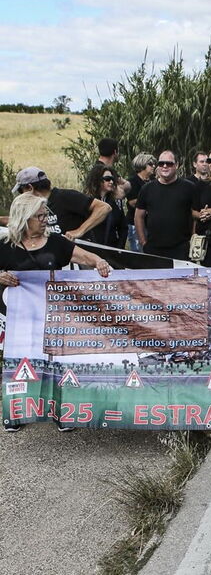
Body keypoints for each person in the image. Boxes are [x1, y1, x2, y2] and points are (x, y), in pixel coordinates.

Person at [0, 193, 113, 432]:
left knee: (57, 364)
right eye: (39, 216)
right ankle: (17, 412)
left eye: (45, 215)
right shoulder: (6, 246)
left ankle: (62, 412)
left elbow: (85, 256)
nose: (45, 220)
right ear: (25, 218)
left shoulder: (56, 243)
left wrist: (99, 262)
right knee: (23, 365)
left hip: (54, 318)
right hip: (22, 322)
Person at [11, 167, 110, 241]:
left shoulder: (65, 196)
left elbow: (104, 207)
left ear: (30, 188)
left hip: (80, 258)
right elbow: (20, 220)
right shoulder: (34, 207)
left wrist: (80, 230)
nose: (22, 196)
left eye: (21, 191)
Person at [134, 150, 198, 260]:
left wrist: (193, 240)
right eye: (161, 163)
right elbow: (138, 216)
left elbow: (195, 216)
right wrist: (143, 242)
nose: (164, 166)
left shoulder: (189, 188)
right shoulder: (147, 189)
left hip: (181, 249)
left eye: (169, 163)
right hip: (153, 249)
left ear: (177, 165)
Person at [83, 164, 126, 248]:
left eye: (112, 179)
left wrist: (120, 248)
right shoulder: (87, 201)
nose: (111, 182)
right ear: (98, 180)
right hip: (91, 250)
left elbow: (123, 227)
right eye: (107, 179)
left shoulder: (115, 202)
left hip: (111, 250)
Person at [125, 153, 155, 251]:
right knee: (139, 251)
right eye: (150, 164)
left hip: (150, 223)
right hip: (135, 223)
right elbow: (132, 202)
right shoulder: (132, 181)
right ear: (142, 165)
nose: (153, 166)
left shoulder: (154, 181)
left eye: (154, 164)